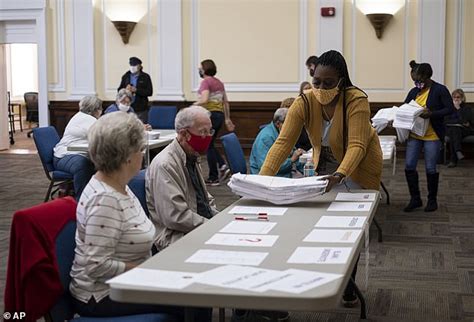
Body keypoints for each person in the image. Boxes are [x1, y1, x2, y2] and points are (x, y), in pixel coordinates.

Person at [260, 50, 382, 307]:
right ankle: (321, 277)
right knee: (319, 225)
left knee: (350, 228)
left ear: (342, 80)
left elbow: (358, 146)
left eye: (329, 83)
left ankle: (348, 283)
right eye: (317, 82)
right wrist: (261, 182)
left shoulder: (356, 99)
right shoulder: (304, 101)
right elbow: (282, 143)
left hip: (357, 167)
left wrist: (339, 175)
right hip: (325, 165)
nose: (321, 88)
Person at [69, 112, 183, 319]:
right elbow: (97, 266)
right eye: (141, 149)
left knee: (184, 291)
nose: (143, 153)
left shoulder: (120, 185)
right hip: (101, 295)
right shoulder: (105, 199)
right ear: (127, 155)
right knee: (183, 301)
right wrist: (148, 270)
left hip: (126, 281)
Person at [146, 106, 219, 252]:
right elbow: (176, 216)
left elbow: (205, 200)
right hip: (176, 237)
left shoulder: (191, 155)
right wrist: (215, 226)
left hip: (197, 227)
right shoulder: (165, 165)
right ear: (184, 134)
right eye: (203, 132)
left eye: (210, 131)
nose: (208, 137)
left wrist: (222, 220)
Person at [403, 60, 455, 212]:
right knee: (409, 166)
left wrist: (431, 113)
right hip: (415, 134)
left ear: (427, 76)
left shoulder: (440, 90)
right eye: (414, 81)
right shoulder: (414, 92)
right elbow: (405, 107)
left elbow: (450, 109)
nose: (417, 83)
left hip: (432, 135)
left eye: (419, 80)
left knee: (431, 168)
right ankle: (415, 199)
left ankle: (432, 200)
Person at [53, 96, 101, 200]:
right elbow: (103, 137)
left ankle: (91, 197)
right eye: (100, 109)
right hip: (65, 156)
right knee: (84, 165)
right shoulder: (89, 120)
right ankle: (81, 201)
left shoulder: (80, 116)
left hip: (66, 155)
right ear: (96, 110)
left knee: (96, 164)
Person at [195, 59, 234, 186]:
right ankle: (222, 166)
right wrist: (227, 119)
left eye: (200, 68)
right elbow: (225, 102)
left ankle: (214, 177)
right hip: (220, 115)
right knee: (210, 144)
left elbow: (205, 99)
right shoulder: (219, 82)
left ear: (204, 69)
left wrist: (192, 106)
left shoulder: (206, 82)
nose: (199, 70)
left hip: (209, 115)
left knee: (208, 145)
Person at [250, 106, 304, 177]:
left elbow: (292, 154)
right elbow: (266, 167)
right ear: (278, 124)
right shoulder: (266, 137)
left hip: (283, 173)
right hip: (265, 178)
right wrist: (291, 160)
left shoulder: (282, 133)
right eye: (288, 124)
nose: (291, 127)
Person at [118, 57, 153, 123]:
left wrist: (137, 90)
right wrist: (125, 90)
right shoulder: (126, 76)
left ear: (139, 66)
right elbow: (119, 90)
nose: (132, 67)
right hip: (128, 107)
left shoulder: (145, 77)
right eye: (131, 65)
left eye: (135, 65)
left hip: (141, 108)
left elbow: (149, 92)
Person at [445, 89, 473, 168]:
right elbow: (446, 121)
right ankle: (458, 151)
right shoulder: (449, 108)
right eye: (454, 97)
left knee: (455, 130)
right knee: (454, 129)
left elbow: (467, 122)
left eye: (458, 97)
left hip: (464, 130)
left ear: (462, 98)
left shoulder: (467, 108)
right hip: (451, 129)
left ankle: (453, 160)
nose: (456, 99)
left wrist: (458, 109)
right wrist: (459, 122)